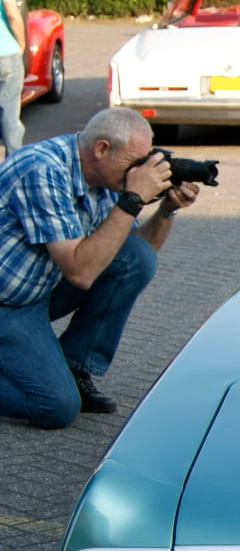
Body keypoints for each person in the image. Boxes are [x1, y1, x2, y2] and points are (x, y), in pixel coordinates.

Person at [0, 108, 200, 428]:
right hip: (7, 303)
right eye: (134, 162)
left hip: (38, 289)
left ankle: (74, 367)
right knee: (56, 405)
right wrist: (133, 198)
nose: (141, 171)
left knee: (136, 257)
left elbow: (134, 252)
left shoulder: (105, 175)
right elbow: (81, 272)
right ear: (102, 149)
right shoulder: (41, 170)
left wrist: (166, 209)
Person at [0, 0, 25, 159]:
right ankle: (12, 174)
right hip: (4, 53)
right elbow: (12, 13)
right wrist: (21, 42)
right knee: (9, 120)